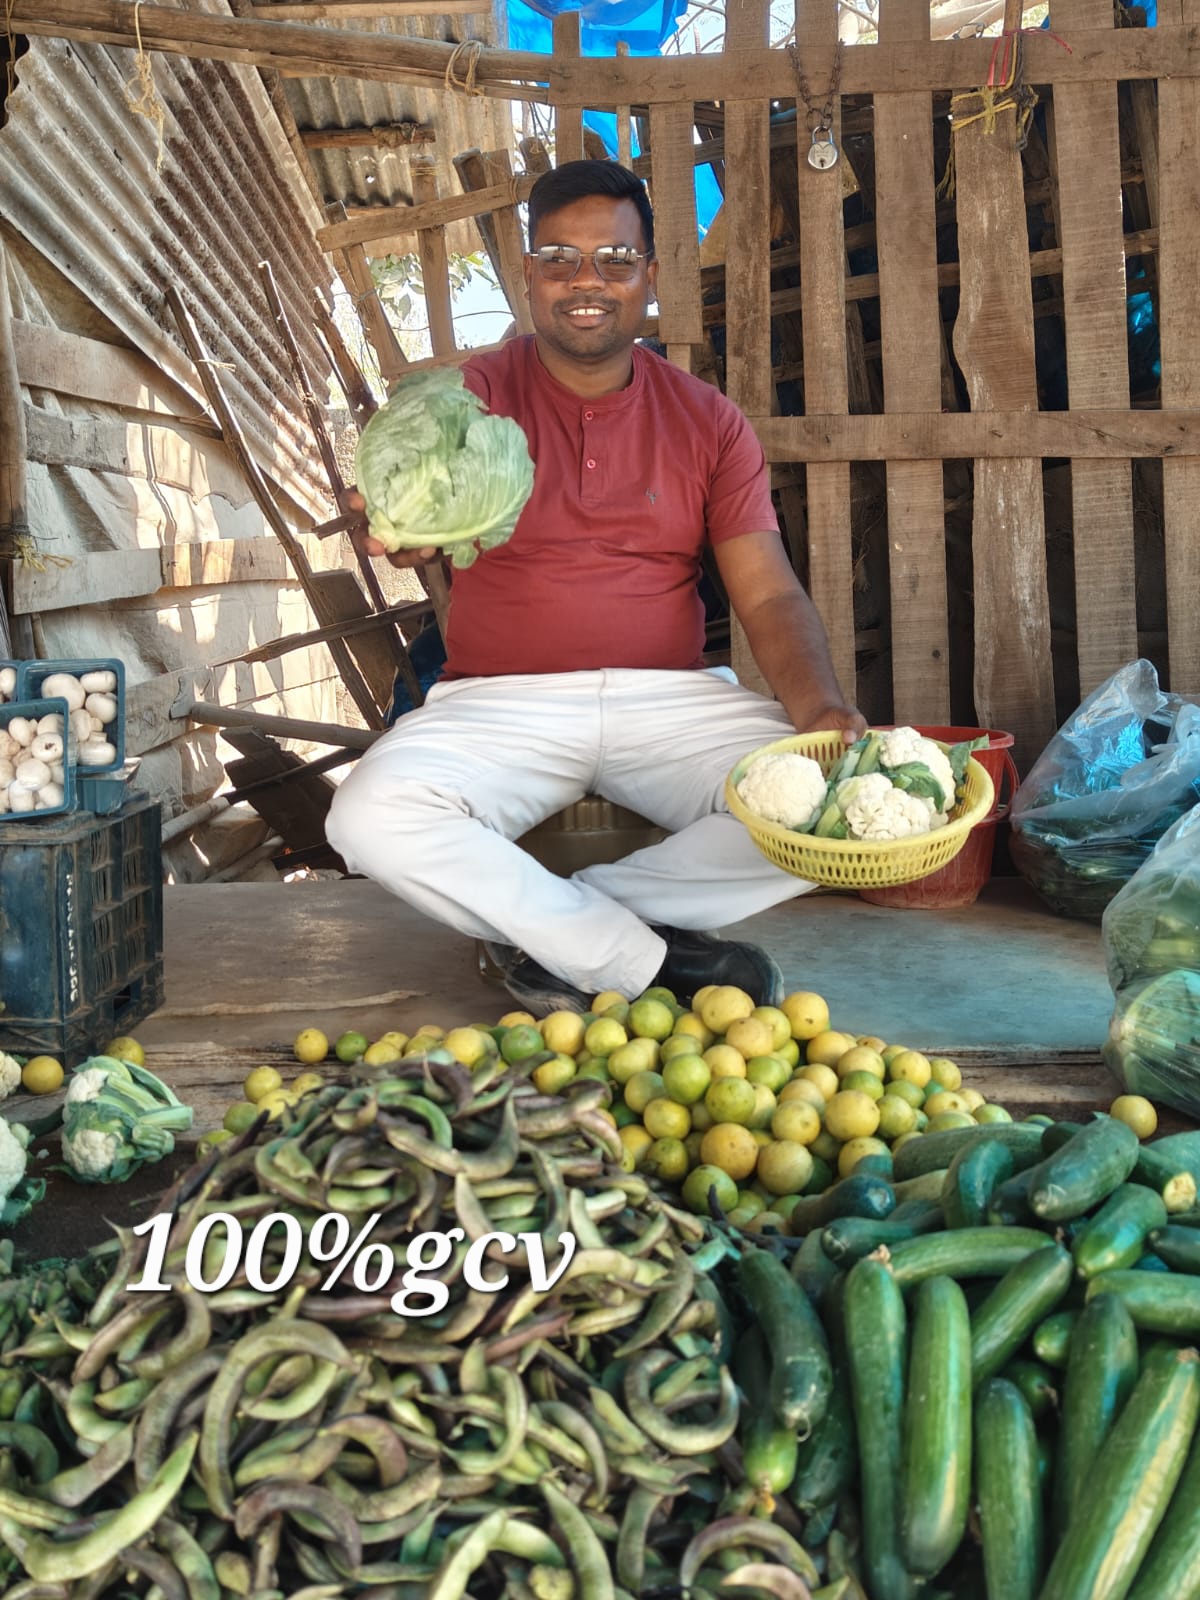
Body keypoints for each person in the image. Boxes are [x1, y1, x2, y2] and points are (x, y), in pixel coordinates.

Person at [326, 159, 865, 1016]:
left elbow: (766, 594)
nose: (588, 281)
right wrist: (392, 517)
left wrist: (821, 711)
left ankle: (556, 935)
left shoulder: (707, 420)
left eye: (616, 259)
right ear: (529, 276)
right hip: (499, 704)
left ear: (648, 276)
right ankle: (634, 957)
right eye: (560, 258)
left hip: (671, 702)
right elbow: (397, 512)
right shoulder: (466, 400)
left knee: (839, 801)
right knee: (363, 818)